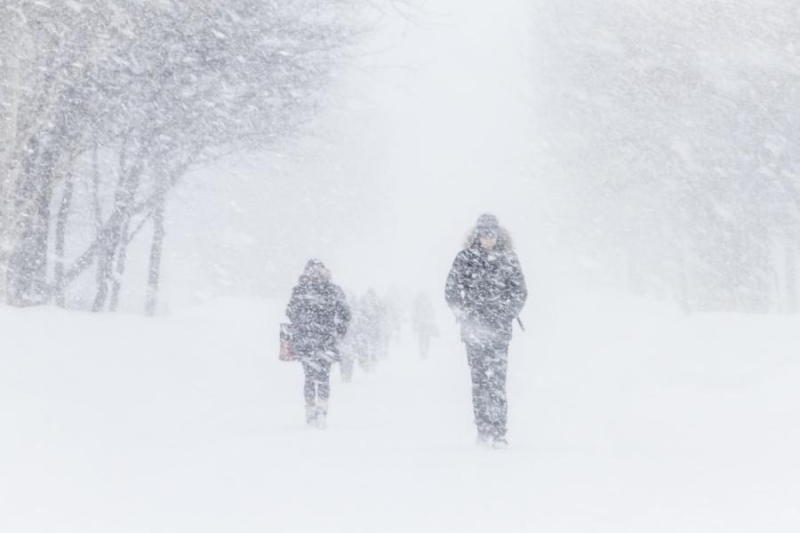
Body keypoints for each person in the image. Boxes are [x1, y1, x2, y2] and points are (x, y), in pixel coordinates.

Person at [445, 214, 527, 448]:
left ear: (498, 235)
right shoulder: (464, 259)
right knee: (480, 382)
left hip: (499, 332)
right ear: (477, 235)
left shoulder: (509, 259)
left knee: (497, 383)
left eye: (491, 234)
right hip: (474, 332)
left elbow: (520, 292)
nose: (488, 238)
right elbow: (450, 291)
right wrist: (464, 314)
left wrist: (506, 312)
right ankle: (483, 431)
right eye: (484, 234)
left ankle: (499, 432)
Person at [286, 259, 351, 428]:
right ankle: (322, 410)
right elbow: (345, 313)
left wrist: (303, 323)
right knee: (323, 376)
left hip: (305, 340)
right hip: (325, 340)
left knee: (309, 377)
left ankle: (310, 410)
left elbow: (290, 312)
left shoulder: (300, 289)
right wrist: (339, 331)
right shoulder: (332, 289)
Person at [412, 292, 438, 359]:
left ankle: (422, 351)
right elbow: (432, 314)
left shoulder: (417, 304)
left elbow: (415, 315)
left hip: (421, 324)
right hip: (426, 324)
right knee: (426, 339)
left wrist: (415, 324)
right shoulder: (428, 304)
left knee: (421, 339)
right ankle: (425, 352)